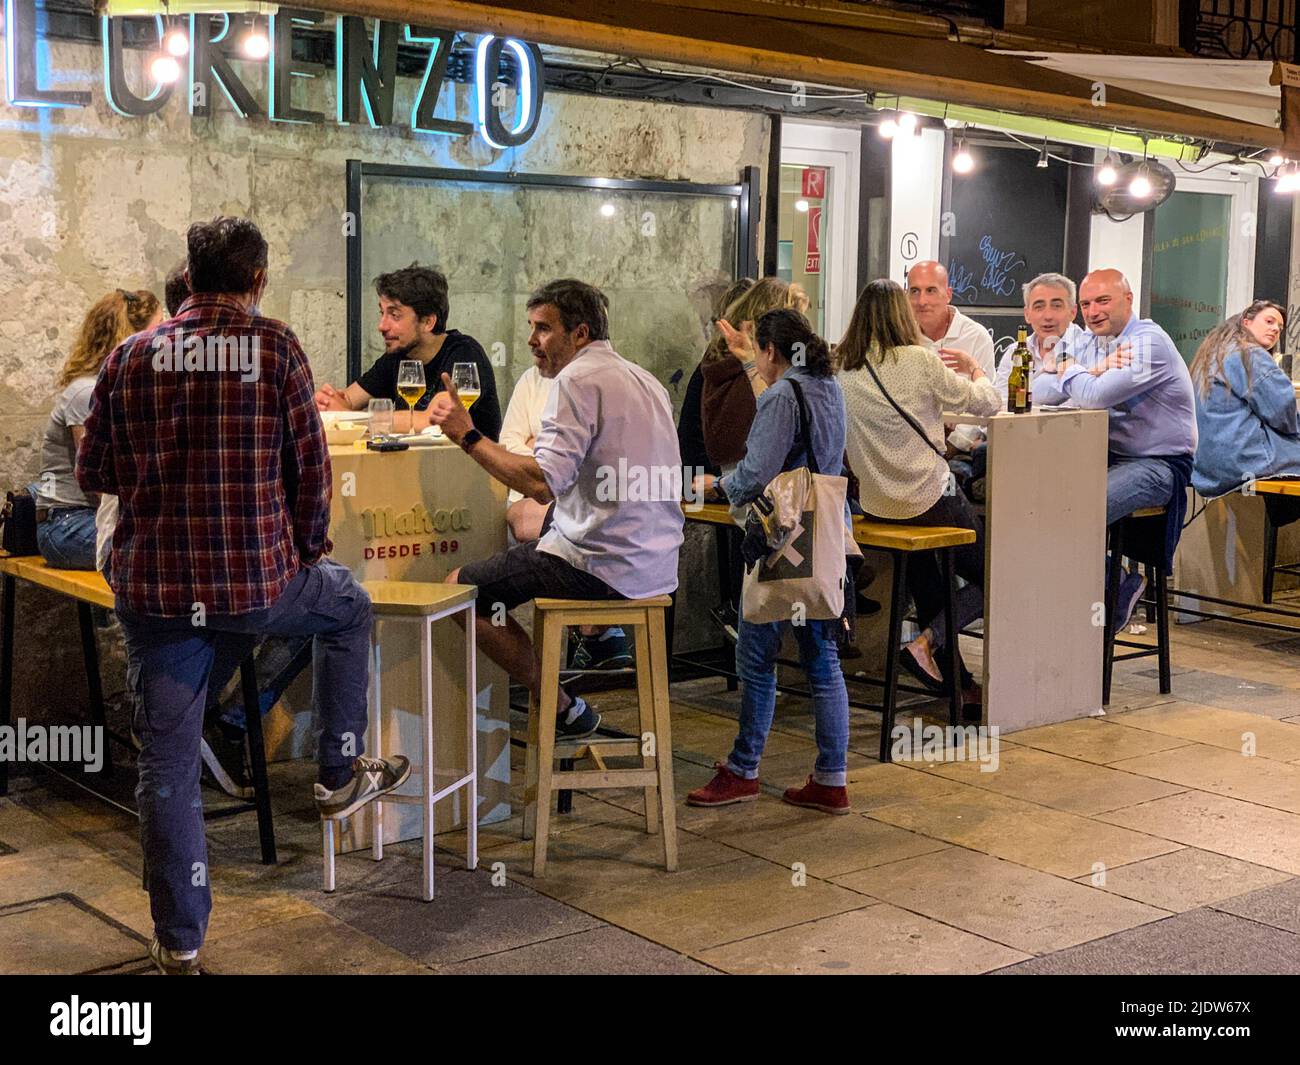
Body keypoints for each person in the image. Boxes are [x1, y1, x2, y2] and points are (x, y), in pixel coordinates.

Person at [77, 216, 408, 975]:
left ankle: (182, 937)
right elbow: (311, 472)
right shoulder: (277, 346)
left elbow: (94, 471)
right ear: (256, 280)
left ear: (189, 277)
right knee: (348, 607)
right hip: (258, 582)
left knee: (165, 765)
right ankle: (335, 773)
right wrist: (308, 548)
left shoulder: (130, 355)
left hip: (157, 588)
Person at [429, 279, 683, 739]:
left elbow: (540, 483)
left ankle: (562, 706)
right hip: (657, 565)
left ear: (580, 333)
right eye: (531, 328)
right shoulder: (644, 379)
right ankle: (600, 639)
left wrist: (467, 435)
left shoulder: (576, 380)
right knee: (544, 533)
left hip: (601, 565)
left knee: (458, 594)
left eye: (543, 329)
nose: (531, 341)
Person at [684, 309, 853, 814]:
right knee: (822, 660)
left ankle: (743, 769)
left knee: (754, 658)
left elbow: (755, 474)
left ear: (772, 351)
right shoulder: (827, 386)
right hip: (822, 534)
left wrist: (712, 486)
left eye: (759, 351)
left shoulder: (782, 394)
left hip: (778, 535)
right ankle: (831, 778)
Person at [838, 279, 999, 711]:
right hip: (929, 497)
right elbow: (987, 403)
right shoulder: (920, 361)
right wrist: (976, 368)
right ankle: (926, 642)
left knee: (934, 583)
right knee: (998, 574)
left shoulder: (844, 367)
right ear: (902, 315)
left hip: (878, 506)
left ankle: (957, 687)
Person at [1034, 268, 1198, 629]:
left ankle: (1114, 586)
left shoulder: (1148, 342)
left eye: (1103, 301)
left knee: (1075, 510)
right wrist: (1088, 370)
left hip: (1159, 465)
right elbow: (1039, 392)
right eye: (1087, 304)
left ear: (1128, 300)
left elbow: (1094, 398)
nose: (1093, 312)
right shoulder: (1089, 341)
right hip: (1101, 457)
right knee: (1035, 504)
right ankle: (1112, 582)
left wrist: (1068, 368)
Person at [498, 351, 631, 672]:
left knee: (469, 588)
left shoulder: (607, 382)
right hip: (538, 494)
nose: (534, 341)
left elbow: (597, 459)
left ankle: (584, 645)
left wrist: (540, 449)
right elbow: (507, 443)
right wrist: (551, 456)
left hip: (583, 503)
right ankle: (596, 633)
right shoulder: (532, 378)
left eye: (543, 328)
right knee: (523, 522)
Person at [33, 289, 162, 572]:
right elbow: (97, 483)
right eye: (157, 331)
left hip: (90, 518)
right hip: (66, 525)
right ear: (130, 336)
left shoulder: (114, 386)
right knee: (158, 552)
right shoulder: (86, 391)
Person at [314, 263, 501, 439]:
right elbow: (348, 399)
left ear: (428, 322)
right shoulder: (397, 355)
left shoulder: (464, 354)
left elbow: (435, 420)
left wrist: (351, 418)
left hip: (464, 469)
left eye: (394, 315)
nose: (381, 326)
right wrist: (328, 402)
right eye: (382, 313)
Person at [1190, 301, 1300, 527]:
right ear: (1246, 322)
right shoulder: (1250, 355)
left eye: (1279, 328)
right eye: (1269, 321)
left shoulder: (1212, 354)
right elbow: (1283, 413)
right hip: (1245, 461)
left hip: (1209, 468)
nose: (1275, 330)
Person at [700, 277, 797, 473]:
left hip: (728, 477)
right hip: (758, 484)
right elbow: (773, 431)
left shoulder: (719, 362)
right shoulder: (753, 371)